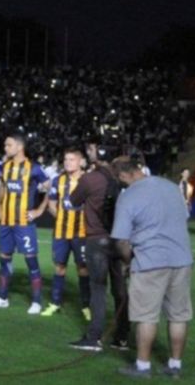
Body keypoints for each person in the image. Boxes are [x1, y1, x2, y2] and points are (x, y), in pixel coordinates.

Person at [111, 157, 193, 380]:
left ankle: (143, 366)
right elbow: (183, 218)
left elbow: (121, 240)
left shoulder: (128, 196)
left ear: (123, 175)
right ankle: (175, 365)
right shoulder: (171, 187)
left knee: (146, 316)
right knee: (178, 315)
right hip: (181, 259)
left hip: (149, 261)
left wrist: (128, 261)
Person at [67, 144, 130, 352]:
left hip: (97, 239)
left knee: (98, 289)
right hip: (120, 238)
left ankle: (94, 337)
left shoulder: (90, 178)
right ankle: (122, 337)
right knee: (120, 289)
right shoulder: (121, 178)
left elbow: (73, 200)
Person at [0, 134, 49, 314]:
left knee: (31, 260)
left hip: (24, 223)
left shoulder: (34, 168)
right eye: (5, 145)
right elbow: (3, 187)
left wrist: (39, 210)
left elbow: (50, 188)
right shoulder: (5, 167)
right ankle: (2, 298)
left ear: (20, 147)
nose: (5, 148)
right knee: (4, 258)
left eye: (9, 145)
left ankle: (36, 301)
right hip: (6, 222)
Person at [31, 148, 91, 319]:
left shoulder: (88, 180)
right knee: (59, 266)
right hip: (60, 232)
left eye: (72, 159)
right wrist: (63, 217)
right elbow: (51, 204)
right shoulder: (58, 180)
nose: (67, 162)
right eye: (65, 159)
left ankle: (86, 305)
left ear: (80, 162)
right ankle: (55, 303)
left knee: (83, 268)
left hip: (81, 233)